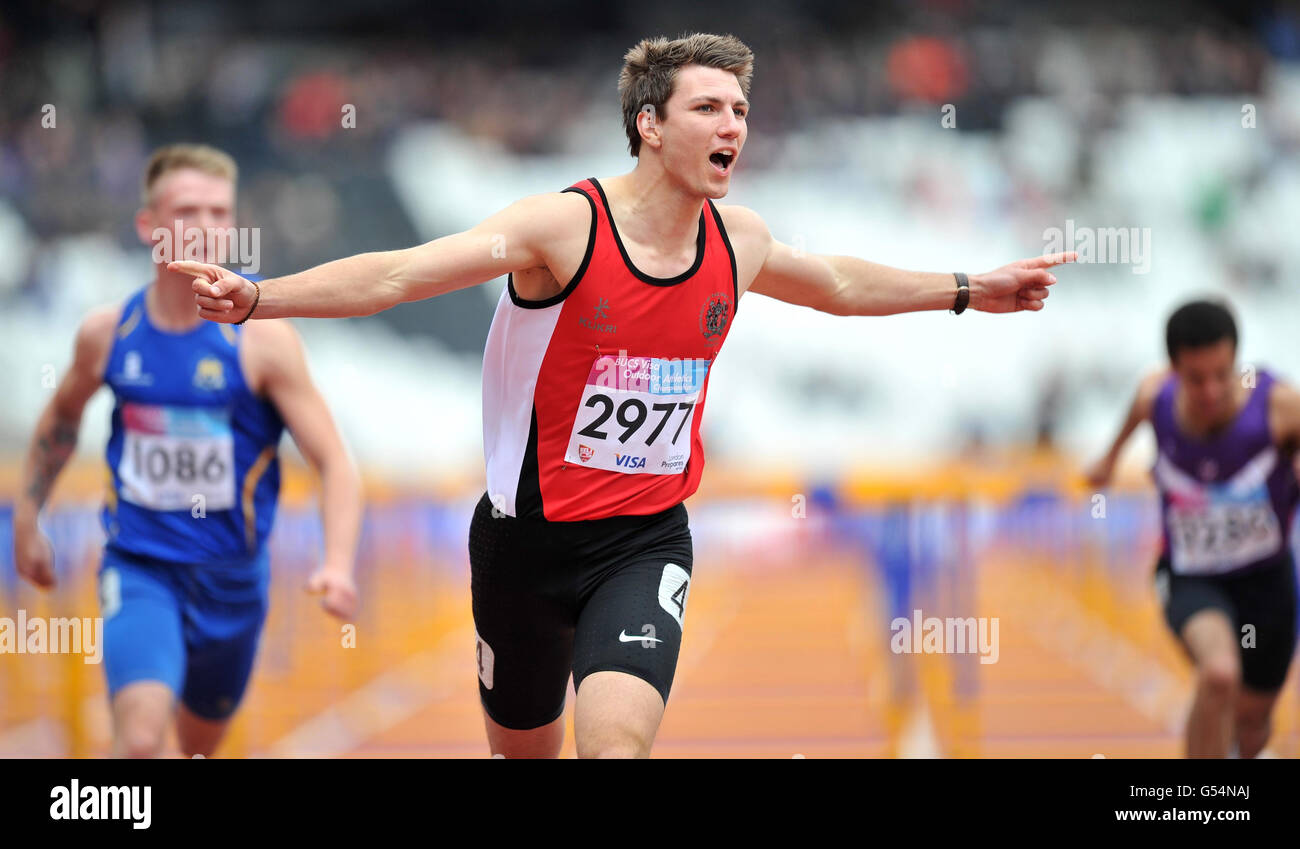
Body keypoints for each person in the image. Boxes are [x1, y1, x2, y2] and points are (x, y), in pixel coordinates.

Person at [172, 33, 1073, 758]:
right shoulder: (563, 228)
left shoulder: (739, 239)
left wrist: (967, 287)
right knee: (524, 749)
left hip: (643, 540)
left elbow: (836, 281)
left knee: (615, 745)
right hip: (523, 544)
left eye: (742, 110)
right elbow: (401, 273)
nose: (735, 127)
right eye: (710, 107)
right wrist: (261, 297)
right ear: (649, 123)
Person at [13, 144, 363, 758]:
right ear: (148, 225)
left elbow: (334, 461)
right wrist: (26, 515)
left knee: (196, 751)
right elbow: (62, 417)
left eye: (218, 212)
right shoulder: (108, 334)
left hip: (232, 584)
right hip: (141, 567)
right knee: (142, 742)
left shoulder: (264, 342)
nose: (203, 226)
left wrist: (336, 562)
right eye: (185, 211)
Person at [1087, 299, 1300, 757]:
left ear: (1236, 361)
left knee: (1253, 718)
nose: (1210, 391)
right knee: (1220, 674)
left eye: (1222, 375)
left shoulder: (1280, 406)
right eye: (1195, 378)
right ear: (1173, 370)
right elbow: (1133, 417)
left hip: (1267, 582)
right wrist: (1107, 461)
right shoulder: (1155, 397)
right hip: (1191, 576)